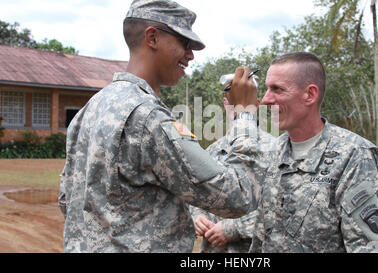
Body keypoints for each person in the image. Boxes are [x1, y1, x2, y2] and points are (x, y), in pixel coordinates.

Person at [58, 0, 261, 253]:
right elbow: (237, 195)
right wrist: (244, 114)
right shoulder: (149, 118)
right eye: (184, 43)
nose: (190, 55)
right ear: (152, 38)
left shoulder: (90, 108)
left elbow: (68, 199)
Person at [250, 52, 378, 253]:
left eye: (277, 89)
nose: (265, 100)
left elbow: (370, 247)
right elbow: (260, 238)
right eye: (267, 89)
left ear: (310, 94)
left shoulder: (353, 155)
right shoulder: (273, 152)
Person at [190, 86, 276, 253]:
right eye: (233, 104)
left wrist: (234, 228)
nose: (237, 110)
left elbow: (281, 207)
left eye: (243, 105)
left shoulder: (274, 148)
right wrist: (198, 217)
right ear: (225, 103)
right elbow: (197, 193)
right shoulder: (212, 151)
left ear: (256, 105)